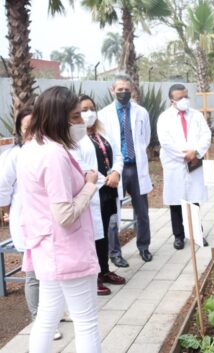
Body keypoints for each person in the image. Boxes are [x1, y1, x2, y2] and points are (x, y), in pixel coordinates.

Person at [16, 86, 101, 353]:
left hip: (48, 248)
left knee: (47, 316)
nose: (81, 122)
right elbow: (64, 215)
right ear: (58, 117)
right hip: (66, 249)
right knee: (86, 321)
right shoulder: (53, 154)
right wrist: (89, 184)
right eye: (75, 116)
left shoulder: (32, 147)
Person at [0, 106, 65, 340]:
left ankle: (53, 313)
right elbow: (3, 189)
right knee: (34, 273)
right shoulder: (14, 156)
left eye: (34, 127)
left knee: (52, 269)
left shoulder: (49, 151)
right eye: (26, 128)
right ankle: (39, 318)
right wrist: (8, 214)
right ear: (19, 130)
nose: (31, 132)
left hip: (49, 222)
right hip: (26, 221)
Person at [70, 95, 126, 296]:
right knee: (93, 235)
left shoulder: (102, 133)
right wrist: (105, 179)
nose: (89, 113)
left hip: (109, 190)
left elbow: (118, 155)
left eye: (92, 108)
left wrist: (116, 172)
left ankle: (104, 270)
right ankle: (92, 278)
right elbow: (79, 166)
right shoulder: (74, 138)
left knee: (105, 233)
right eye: (83, 110)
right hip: (93, 192)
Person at [98, 74, 153, 264]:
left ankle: (144, 247)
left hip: (136, 167)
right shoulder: (103, 114)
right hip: (115, 170)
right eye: (119, 89)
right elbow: (103, 143)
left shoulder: (141, 112)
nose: (123, 92)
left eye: (126, 89)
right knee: (114, 213)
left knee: (142, 212)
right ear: (112, 91)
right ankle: (114, 253)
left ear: (132, 90)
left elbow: (145, 138)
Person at [157, 84, 212, 249]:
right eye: (180, 98)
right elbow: (165, 142)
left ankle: (196, 233)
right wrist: (184, 155)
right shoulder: (164, 118)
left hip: (194, 160)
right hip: (175, 163)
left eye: (186, 96)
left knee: (193, 199)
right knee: (176, 201)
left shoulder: (196, 115)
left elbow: (206, 135)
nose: (184, 100)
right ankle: (178, 236)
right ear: (172, 100)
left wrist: (196, 152)